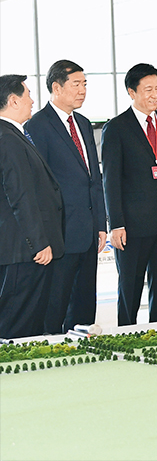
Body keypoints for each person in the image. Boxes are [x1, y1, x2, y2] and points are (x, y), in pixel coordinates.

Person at [26, 60, 106, 333]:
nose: (82, 90)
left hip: (88, 233)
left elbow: (94, 179)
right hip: (59, 236)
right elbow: (38, 186)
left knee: (84, 306)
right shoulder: (37, 126)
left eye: (84, 84)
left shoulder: (82, 123)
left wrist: (100, 223)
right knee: (55, 306)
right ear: (56, 87)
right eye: (76, 84)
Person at [101, 63, 157, 326]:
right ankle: (125, 334)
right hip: (132, 227)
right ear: (131, 92)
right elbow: (110, 180)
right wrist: (116, 224)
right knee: (130, 288)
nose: (155, 94)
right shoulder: (116, 128)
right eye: (148, 89)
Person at [0, 75, 65, 339]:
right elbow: (20, 195)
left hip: (21, 250)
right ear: (13, 101)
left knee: (28, 322)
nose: (33, 101)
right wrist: (39, 243)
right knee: (20, 325)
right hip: (24, 252)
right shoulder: (7, 138)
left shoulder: (13, 135)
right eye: (28, 95)